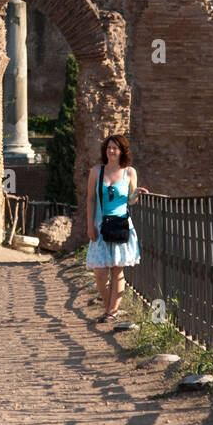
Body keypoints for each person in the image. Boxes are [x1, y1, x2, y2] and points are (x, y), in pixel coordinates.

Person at [85, 134, 141, 322]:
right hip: (101, 226)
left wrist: (137, 194)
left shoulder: (129, 172)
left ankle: (111, 312)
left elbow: (131, 200)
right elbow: (91, 199)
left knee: (117, 270)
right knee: (100, 271)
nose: (111, 151)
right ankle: (109, 307)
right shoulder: (96, 171)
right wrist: (90, 225)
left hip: (121, 225)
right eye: (109, 147)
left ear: (122, 151)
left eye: (115, 148)